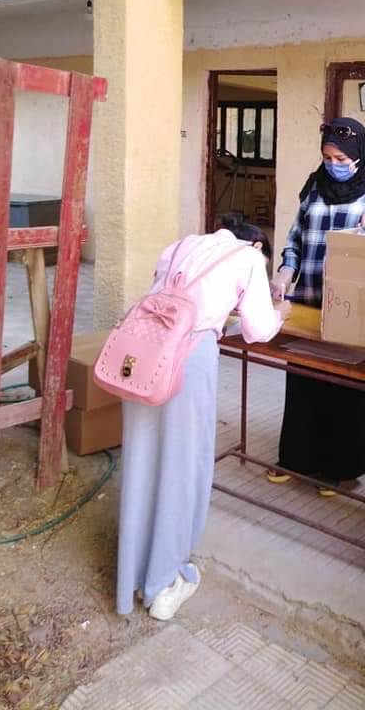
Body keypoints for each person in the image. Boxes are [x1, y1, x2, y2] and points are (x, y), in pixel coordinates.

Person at [116, 218, 288, 620]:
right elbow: (258, 329)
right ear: (257, 246)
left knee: (141, 466)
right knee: (181, 468)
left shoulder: (180, 245)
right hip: (188, 360)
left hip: (143, 353)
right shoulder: (248, 258)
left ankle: (131, 580)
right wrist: (281, 312)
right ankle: (163, 585)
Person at [269, 117, 365, 493]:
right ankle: (296, 458)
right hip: (310, 300)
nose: (334, 165)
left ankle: (339, 468)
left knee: (344, 385)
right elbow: (296, 238)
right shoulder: (315, 186)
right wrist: (284, 272)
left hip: (353, 309)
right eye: (328, 157)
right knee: (303, 379)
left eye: (341, 158)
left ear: (358, 154)